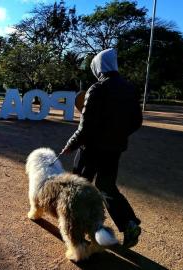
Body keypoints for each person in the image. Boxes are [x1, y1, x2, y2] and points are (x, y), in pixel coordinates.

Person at [62, 48, 143, 248]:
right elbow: (136, 121)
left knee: (79, 188)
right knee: (106, 187)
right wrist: (117, 135)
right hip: (114, 150)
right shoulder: (129, 88)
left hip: (90, 150)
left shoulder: (97, 89)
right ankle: (129, 223)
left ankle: (78, 232)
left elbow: (85, 128)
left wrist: (70, 145)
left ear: (99, 66)